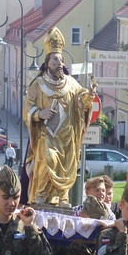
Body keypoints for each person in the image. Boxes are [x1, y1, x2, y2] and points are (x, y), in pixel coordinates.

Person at [23, 27, 94, 206]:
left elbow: (81, 100)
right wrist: (40, 113)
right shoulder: (37, 85)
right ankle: (40, 194)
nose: (59, 63)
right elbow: (27, 109)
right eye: (55, 59)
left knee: (65, 165)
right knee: (48, 158)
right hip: (47, 134)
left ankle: (62, 196)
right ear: (47, 62)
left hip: (67, 136)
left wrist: (89, 96)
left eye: (61, 60)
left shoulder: (70, 83)